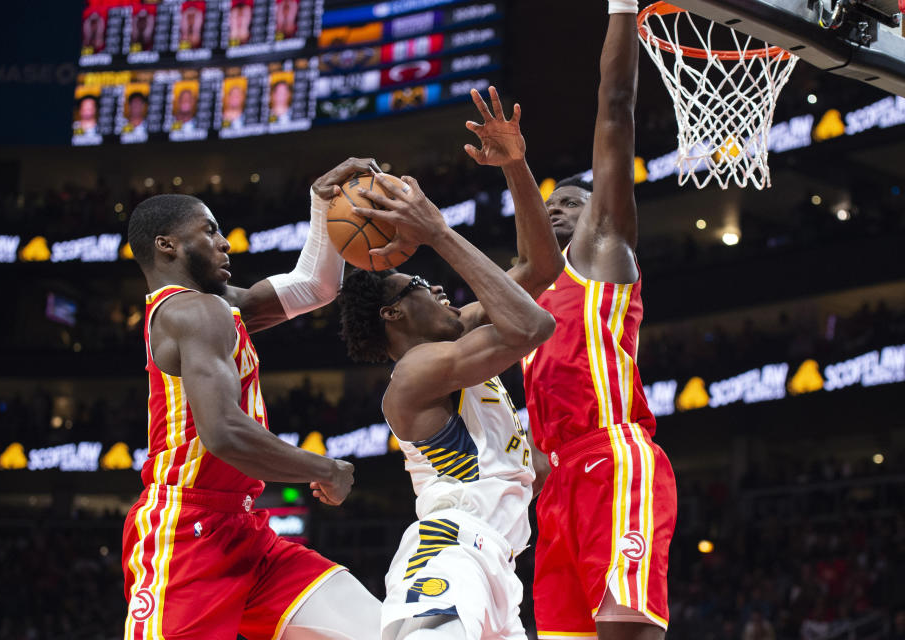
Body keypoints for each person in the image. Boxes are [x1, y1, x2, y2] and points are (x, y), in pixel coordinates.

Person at [121, 158, 384, 640]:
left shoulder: (217, 307)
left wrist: (321, 203)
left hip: (245, 529)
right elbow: (222, 432)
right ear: (167, 245)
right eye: (210, 231)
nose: (226, 242)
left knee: (380, 631)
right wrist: (322, 467)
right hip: (185, 531)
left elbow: (316, 287)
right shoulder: (195, 312)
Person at [337, 89, 561, 638]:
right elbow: (534, 325)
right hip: (449, 550)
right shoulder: (416, 375)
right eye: (418, 283)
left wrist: (516, 166)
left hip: (498, 563)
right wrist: (436, 234)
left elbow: (540, 266)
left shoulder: (460, 339)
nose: (437, 285)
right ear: (393, 312)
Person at [519, 3, 678, 639]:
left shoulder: (603, 254)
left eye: (574, 201)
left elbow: (614, 109)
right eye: (550, 201)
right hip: (558, 487)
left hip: (614, 457)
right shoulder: (527, 310)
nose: (559, 206)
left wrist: (621, 10)